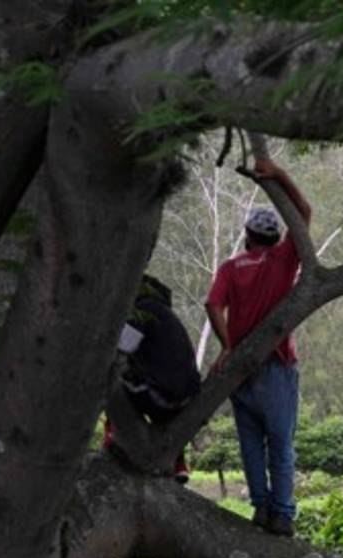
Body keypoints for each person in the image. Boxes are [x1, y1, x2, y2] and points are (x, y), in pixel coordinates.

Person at [205, 157, 312, 537]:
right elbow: (305, 211)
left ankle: (262, 508)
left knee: (251, 443)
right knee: (280, 444)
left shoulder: (231, 268)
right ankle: (282, 514)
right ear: (274, 237)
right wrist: (280, 174)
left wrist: (228, 347)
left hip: (239, 371)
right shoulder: (284, 259)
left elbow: (212, 304)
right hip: (277, 364)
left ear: (248, 236)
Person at [104, 276, 200, 483]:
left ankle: (113, 438)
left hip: (161, 397)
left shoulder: (143, 311)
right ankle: (178, 463)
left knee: (109, 375)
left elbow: (122, 347)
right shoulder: (169, 317)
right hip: (186, 400)